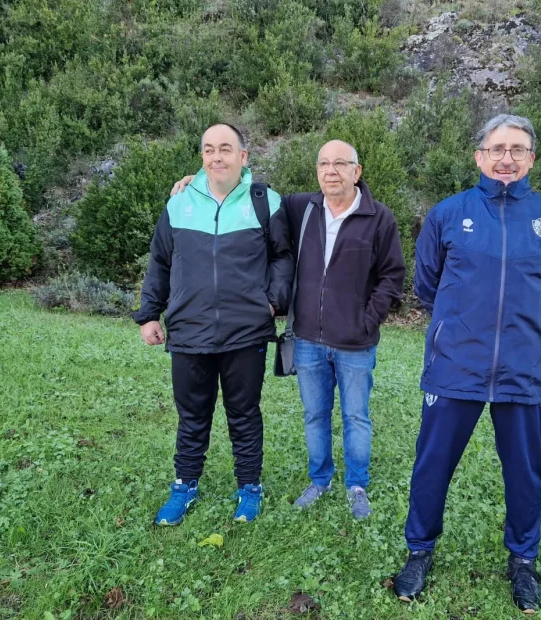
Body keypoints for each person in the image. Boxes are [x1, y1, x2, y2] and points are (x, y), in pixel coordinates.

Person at [170, 140, 405, 520]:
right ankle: (320, 480)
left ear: (356, 172)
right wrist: (201, 181)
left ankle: (356, 484)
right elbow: (248, 192)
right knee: (314, 415)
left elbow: (392, 276)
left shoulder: (380, 218)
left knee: (356, 416)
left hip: (356, 342)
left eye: (340, 164)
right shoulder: (301, 207)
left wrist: (369, 317)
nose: (331, 171)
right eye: (324, 163)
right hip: (309, 338)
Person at [392, 114, 541, 614]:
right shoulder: (449, 214)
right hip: (455, 367)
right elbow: (427, 285)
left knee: (525, 474)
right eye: (497, 148)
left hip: (523, 370)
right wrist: (460, 326)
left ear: (532, 158)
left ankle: (522, 562)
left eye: (517, 149)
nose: (506, 158)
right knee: (432, 466)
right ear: (479, 156)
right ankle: (419, 551)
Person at [134, 123, 293, 526]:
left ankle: (249, 488)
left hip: (246, 332)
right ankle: (184, 486)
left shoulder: (266, 201)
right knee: (192, 415)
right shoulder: (180, 203)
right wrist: (150, 313)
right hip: (188, 330)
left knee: (244, 413)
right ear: (201, 156)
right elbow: (160, 262)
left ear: (244, 156)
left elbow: (282, 256)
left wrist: (274, 301)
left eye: (225, 149)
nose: (216, 157)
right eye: (208, 150)